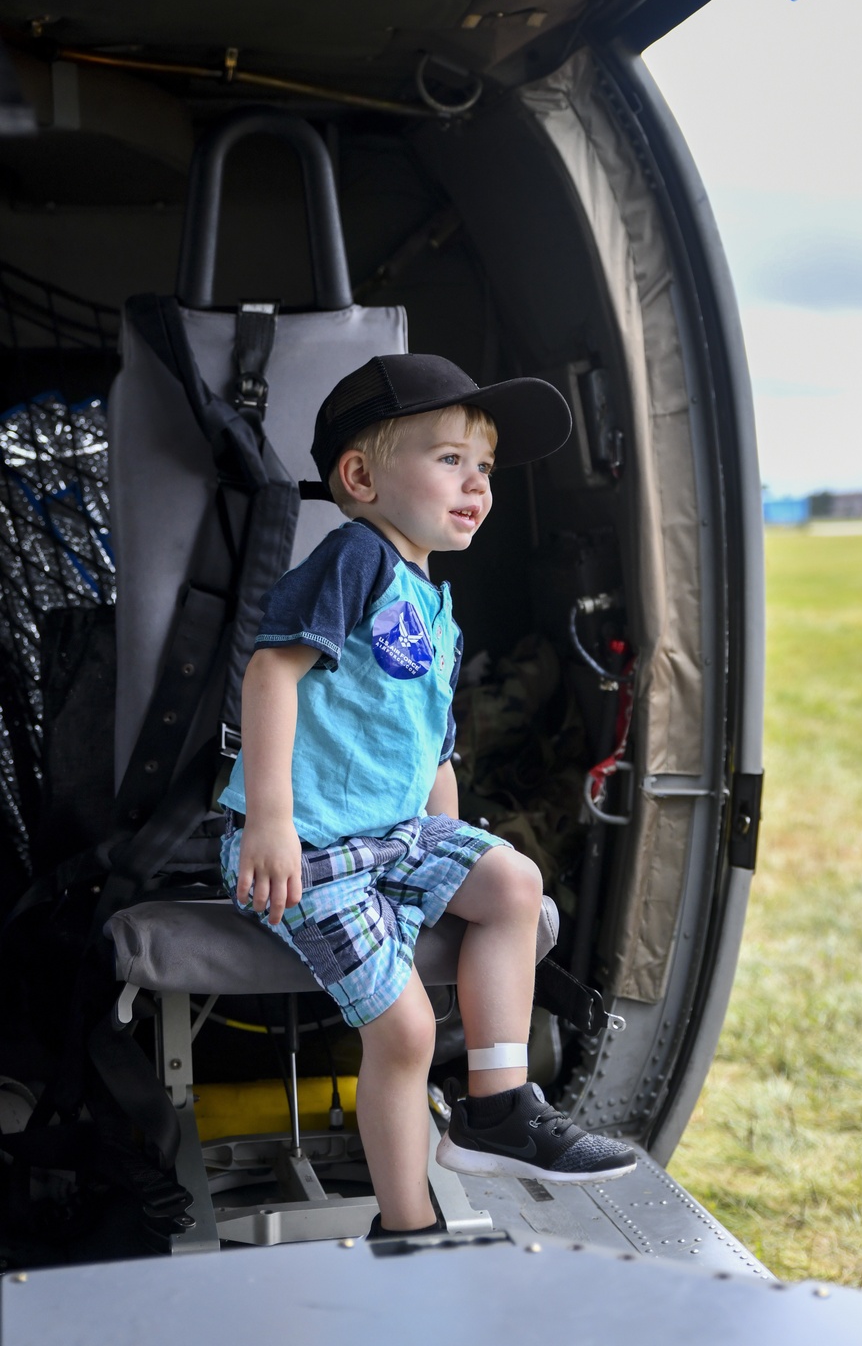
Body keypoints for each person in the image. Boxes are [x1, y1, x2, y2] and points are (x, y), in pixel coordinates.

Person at [217, 353, 637, 1237]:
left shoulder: (432, 602)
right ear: (362, 477)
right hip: (315, 840)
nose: (476, 483)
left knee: (514, 882)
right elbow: (269, 674)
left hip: (397, 836)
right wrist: (270, 819)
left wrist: (448, 864)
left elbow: (432, 746)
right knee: (405, 1033)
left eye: (483, 468)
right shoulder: (356, 559)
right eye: (450, 459)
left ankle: (496, 1107)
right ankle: (407, 1227)